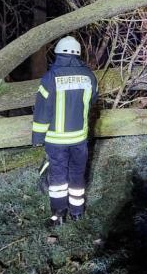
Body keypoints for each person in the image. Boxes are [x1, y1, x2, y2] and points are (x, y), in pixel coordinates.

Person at [32, 35, 98, 227]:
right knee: (77, 174)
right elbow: (92, 100)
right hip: (80, 138)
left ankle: (58, 215)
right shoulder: (89, 76)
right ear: (78, 54)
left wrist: (38, 137)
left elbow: (42, 111)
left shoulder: (50, 78)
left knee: (58, 178)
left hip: (56, 140)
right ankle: (77, 212)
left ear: (58, 53)